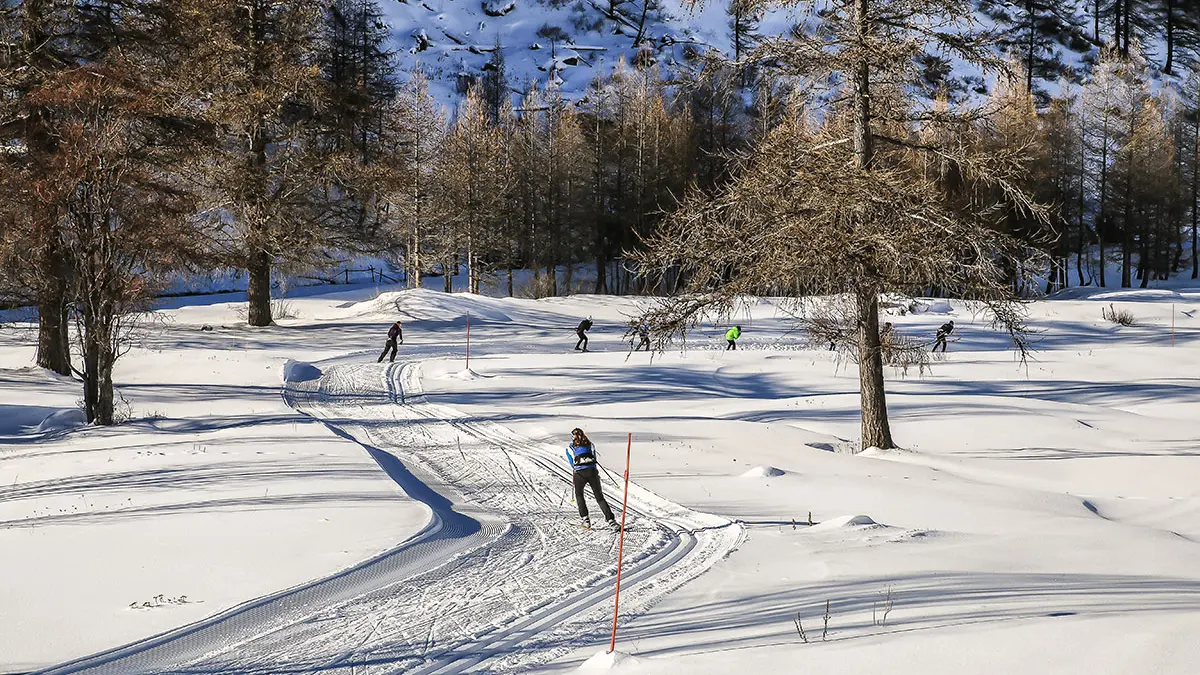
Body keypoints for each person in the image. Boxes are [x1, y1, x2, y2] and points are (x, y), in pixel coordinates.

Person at [565, 428, 616, 529]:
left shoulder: (570, 448)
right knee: (599, 497)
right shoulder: (591, 445)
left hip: (579, 474)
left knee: (579, 496)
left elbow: (572, 463)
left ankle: (586, 520)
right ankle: (611, 520)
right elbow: (595, 459)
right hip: (592, 472)